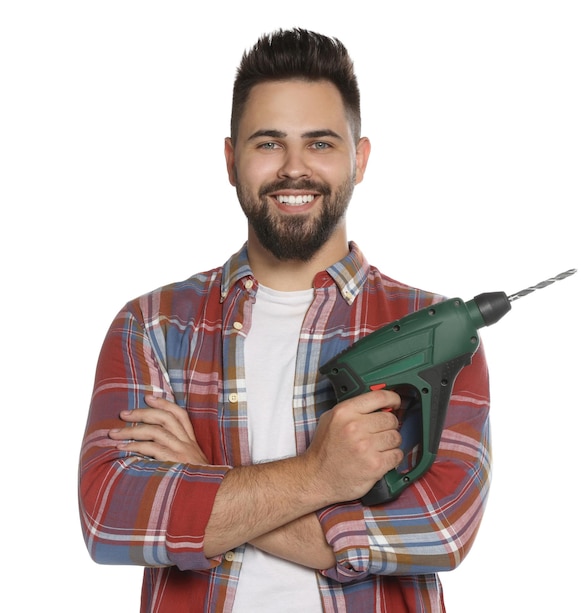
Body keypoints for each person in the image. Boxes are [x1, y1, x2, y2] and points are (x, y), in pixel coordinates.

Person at [79, 28, 491, 612]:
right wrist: (322, 477)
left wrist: (203, 478)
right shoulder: (152, 326)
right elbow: (111, 518)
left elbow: (440, 528)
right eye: (268, 143)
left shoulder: (433, 329)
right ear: (230, 159)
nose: (294, 169)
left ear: (361, 158)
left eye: (321, 144)